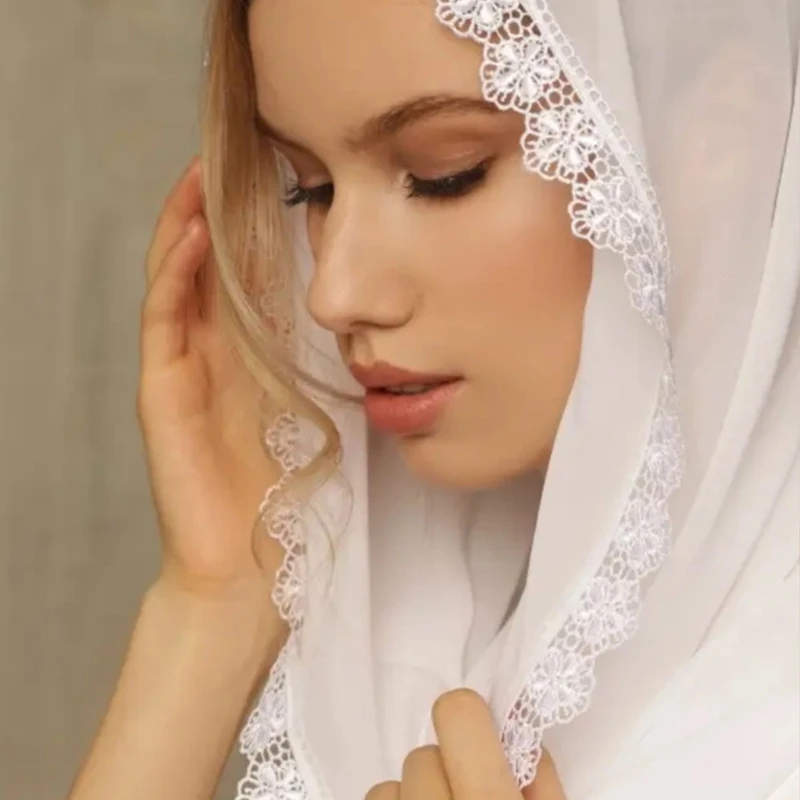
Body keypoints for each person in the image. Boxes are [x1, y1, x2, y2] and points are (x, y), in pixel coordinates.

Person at [67, 0, 800, 798]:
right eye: (310, 190)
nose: (333, 295)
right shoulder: (450, 667)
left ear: (722, 134)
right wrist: (218, 602)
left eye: (445, 173)